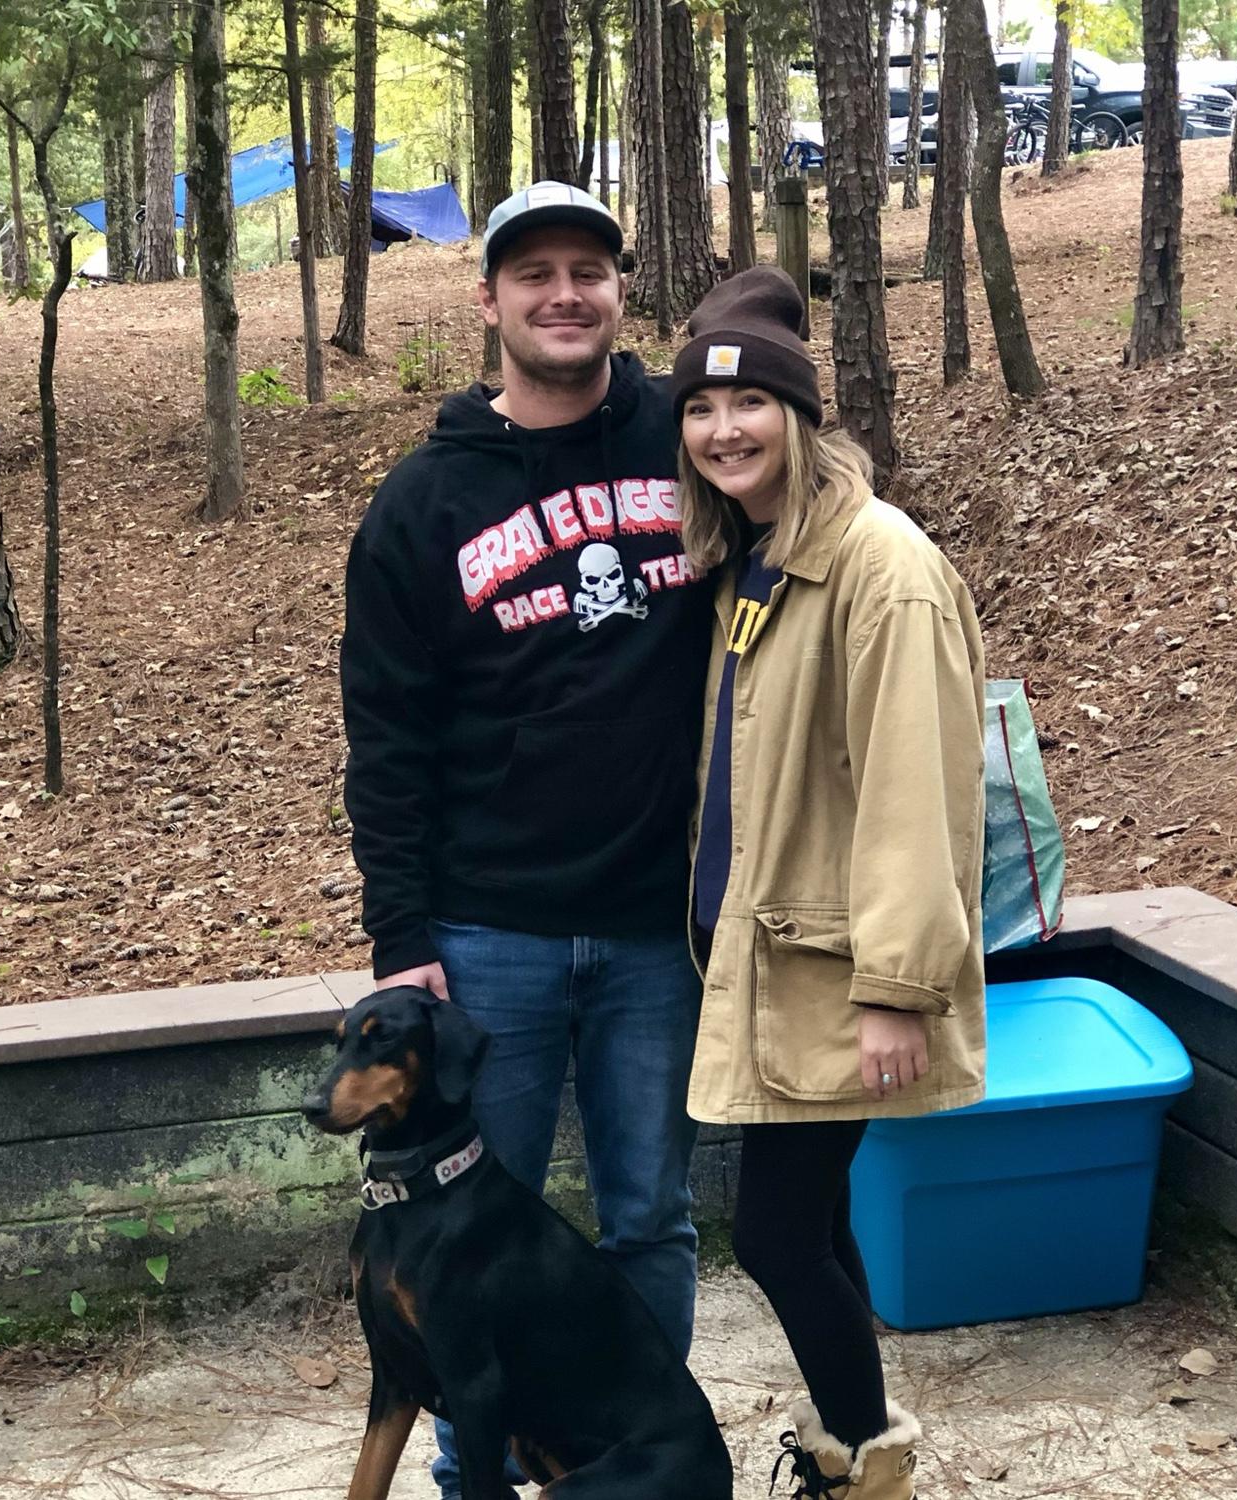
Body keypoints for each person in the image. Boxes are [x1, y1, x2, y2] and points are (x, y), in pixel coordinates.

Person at [339, 182, 713, 1500]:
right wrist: (403, 936)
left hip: (656, 927)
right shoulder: (424, 502)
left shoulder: (690, 439)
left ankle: (636, 1468)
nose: (566, 294)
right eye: (535, 273)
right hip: (485, 935)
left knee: (651, 1217)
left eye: (588, 270)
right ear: (488, 299)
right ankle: (475, 1484)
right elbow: (385, 737)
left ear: (621, 289)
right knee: (463, 1244)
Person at [671, 266, 988, 1500]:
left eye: (750, 405)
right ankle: (853, 1451)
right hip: (770, 955)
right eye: (701, 410)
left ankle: (867, 1467)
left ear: (802, 417)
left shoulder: (880, 565)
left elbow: (918, 792)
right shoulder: (757, 557)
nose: (724, 431)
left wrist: (896, 988)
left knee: (774, 1235)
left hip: (835, 968)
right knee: (818, 1224)